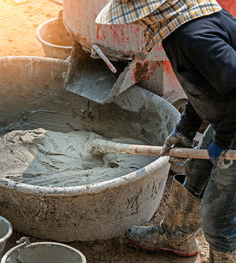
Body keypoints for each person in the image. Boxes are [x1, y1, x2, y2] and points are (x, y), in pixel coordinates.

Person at [96, 0, 236, 262]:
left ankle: (224, 257)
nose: (137, 23)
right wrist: (185, 128)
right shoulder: (187, 28)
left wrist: (225, 141)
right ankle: (176, 236)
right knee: (196, 175)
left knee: (219, 215)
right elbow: (209, 88)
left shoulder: (194, 37)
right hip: (228, 118)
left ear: (153, 12)